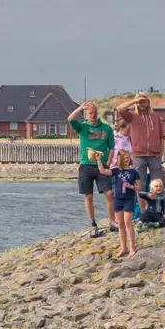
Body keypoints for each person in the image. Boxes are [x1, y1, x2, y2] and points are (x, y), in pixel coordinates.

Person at [68, 101, 115, 238]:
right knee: (88, 195)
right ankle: (93, 224)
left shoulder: (106, 128)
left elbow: (111, 147)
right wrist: (81, 107)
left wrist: (109, 162)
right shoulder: (82, 127)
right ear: (86, 115)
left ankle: (112, 221)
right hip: (86, 165)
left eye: (94, 112)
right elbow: (70, 119)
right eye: (90, 113)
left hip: (102, 165)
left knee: (109, 193)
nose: (93, 115)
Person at [115, 93, 165, 212]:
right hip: (139, 155)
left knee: (158, 184)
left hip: (154, 155)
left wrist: (161, 151)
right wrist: (135, 100)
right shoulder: (132, 116)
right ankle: (144, 214)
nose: (142, 104)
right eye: (140, 102)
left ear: (148, 102)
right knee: (140, 186)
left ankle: (159, 211)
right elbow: (119, 109)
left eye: (144, 101)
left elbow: (161, 136)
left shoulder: (155, 117)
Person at [97, 149, 139, 257]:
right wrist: (98, 160)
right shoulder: (116, 170)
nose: (126, 159)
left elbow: (139, 187)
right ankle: (123, 247)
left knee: (128, 223)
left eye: (127, 158)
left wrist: (131, 186)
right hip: (118, 200)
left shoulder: (134, 172)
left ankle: (132, 247)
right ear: (120, 159)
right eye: (124, 158)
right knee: (120, 225)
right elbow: (102, 171)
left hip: (129, 200)